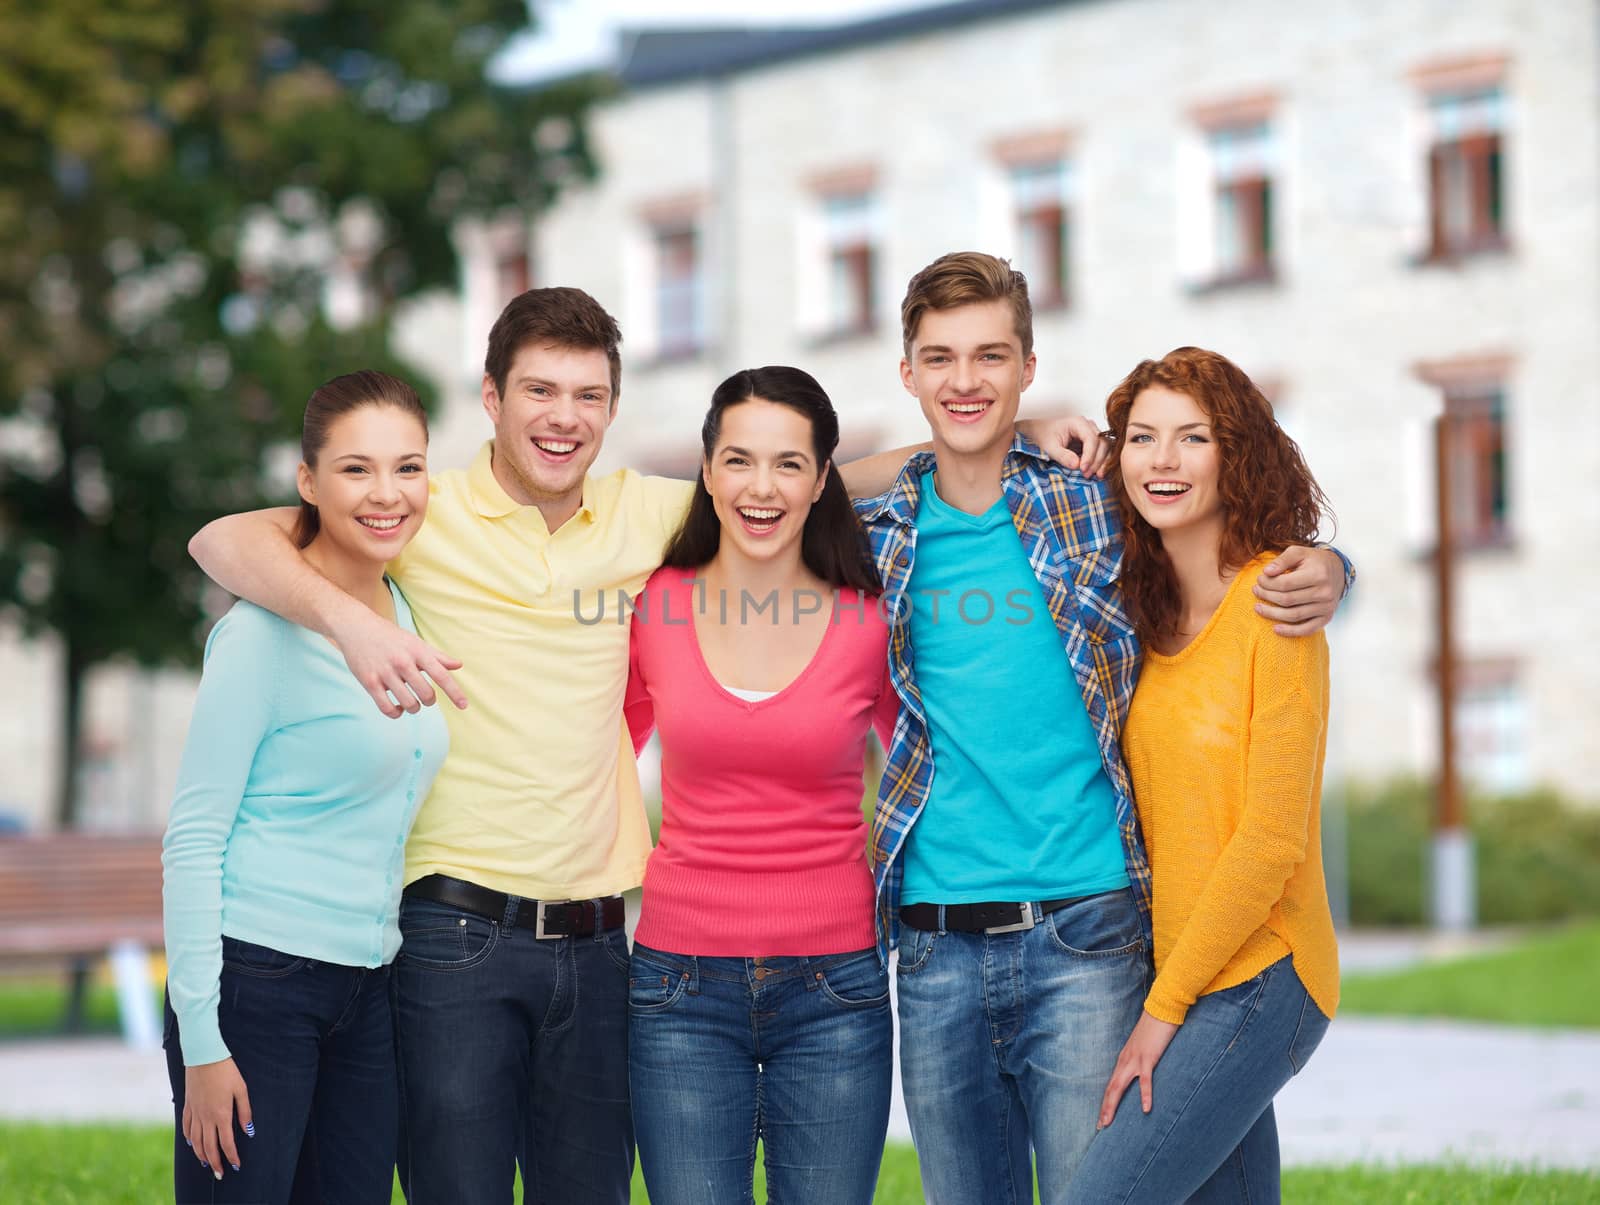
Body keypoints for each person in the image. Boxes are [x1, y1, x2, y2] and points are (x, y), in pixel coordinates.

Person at [186, 286, 1102, 1203]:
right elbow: (222, 541)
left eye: (587, 396)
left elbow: (818, 475)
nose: (563, 417)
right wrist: (354, 625)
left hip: (598, 942)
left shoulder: (649, 518)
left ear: (613, 410)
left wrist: (1013, 433)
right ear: (492, 400)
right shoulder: (422, 510)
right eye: (540, 391)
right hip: (451, 927)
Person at [852, 252, 1354, 1204]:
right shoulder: (882, 529)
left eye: (992, 357)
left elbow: (1228, 524)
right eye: (941, 359)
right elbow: (786, 486)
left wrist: (1331, 564)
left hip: (1088, 933)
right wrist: (980, 439)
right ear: (907, 372)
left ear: (1030, 363)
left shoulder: (1092, 503)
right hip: (930, 945)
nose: (967, 380)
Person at [161, 370, 448, 1204]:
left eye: (409, 467)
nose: (387, 493)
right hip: (257, 986)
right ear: (307, 483)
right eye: (356, 469)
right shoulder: (256, 635)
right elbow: (193, 838)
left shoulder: (409, 607)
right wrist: (205, 1042)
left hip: (368, 986)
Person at [1069, 348, 1340, 1203]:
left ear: (1238, 455)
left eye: (1193, 437)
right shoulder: (1141, 616)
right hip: (1187, 971)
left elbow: (1269, 841)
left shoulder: (1279, 606)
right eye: (1143, 438)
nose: (1163, 459)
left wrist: (1164, 1010)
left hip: (1262, 974)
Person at [623, 367, 899, 1204]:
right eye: (738, 460)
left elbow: (930, 779)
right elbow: (591, 753)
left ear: (823, 481)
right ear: (707, 473)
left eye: (789, 464)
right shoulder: (653, 605)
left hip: (836, 987)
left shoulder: (870, 618)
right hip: (677, 986)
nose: (761, 486)